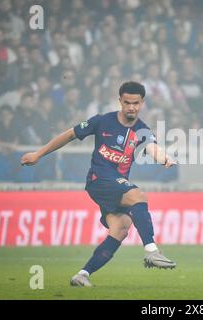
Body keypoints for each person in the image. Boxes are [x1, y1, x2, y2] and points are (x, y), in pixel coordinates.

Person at [20, 81, 177, 287]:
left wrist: (164, 158)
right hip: (99, 179)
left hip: (116, 185)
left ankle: (83, 274)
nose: (132, 107)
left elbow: (153, 148)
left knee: (121, 227)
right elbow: (69, 135)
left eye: (136, 103)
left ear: (142, 103)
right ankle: (151, 251)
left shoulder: (142, 130)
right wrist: (38, 154)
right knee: (139, 196)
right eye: (127, 102)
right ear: (120, 101)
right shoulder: (102, 121)